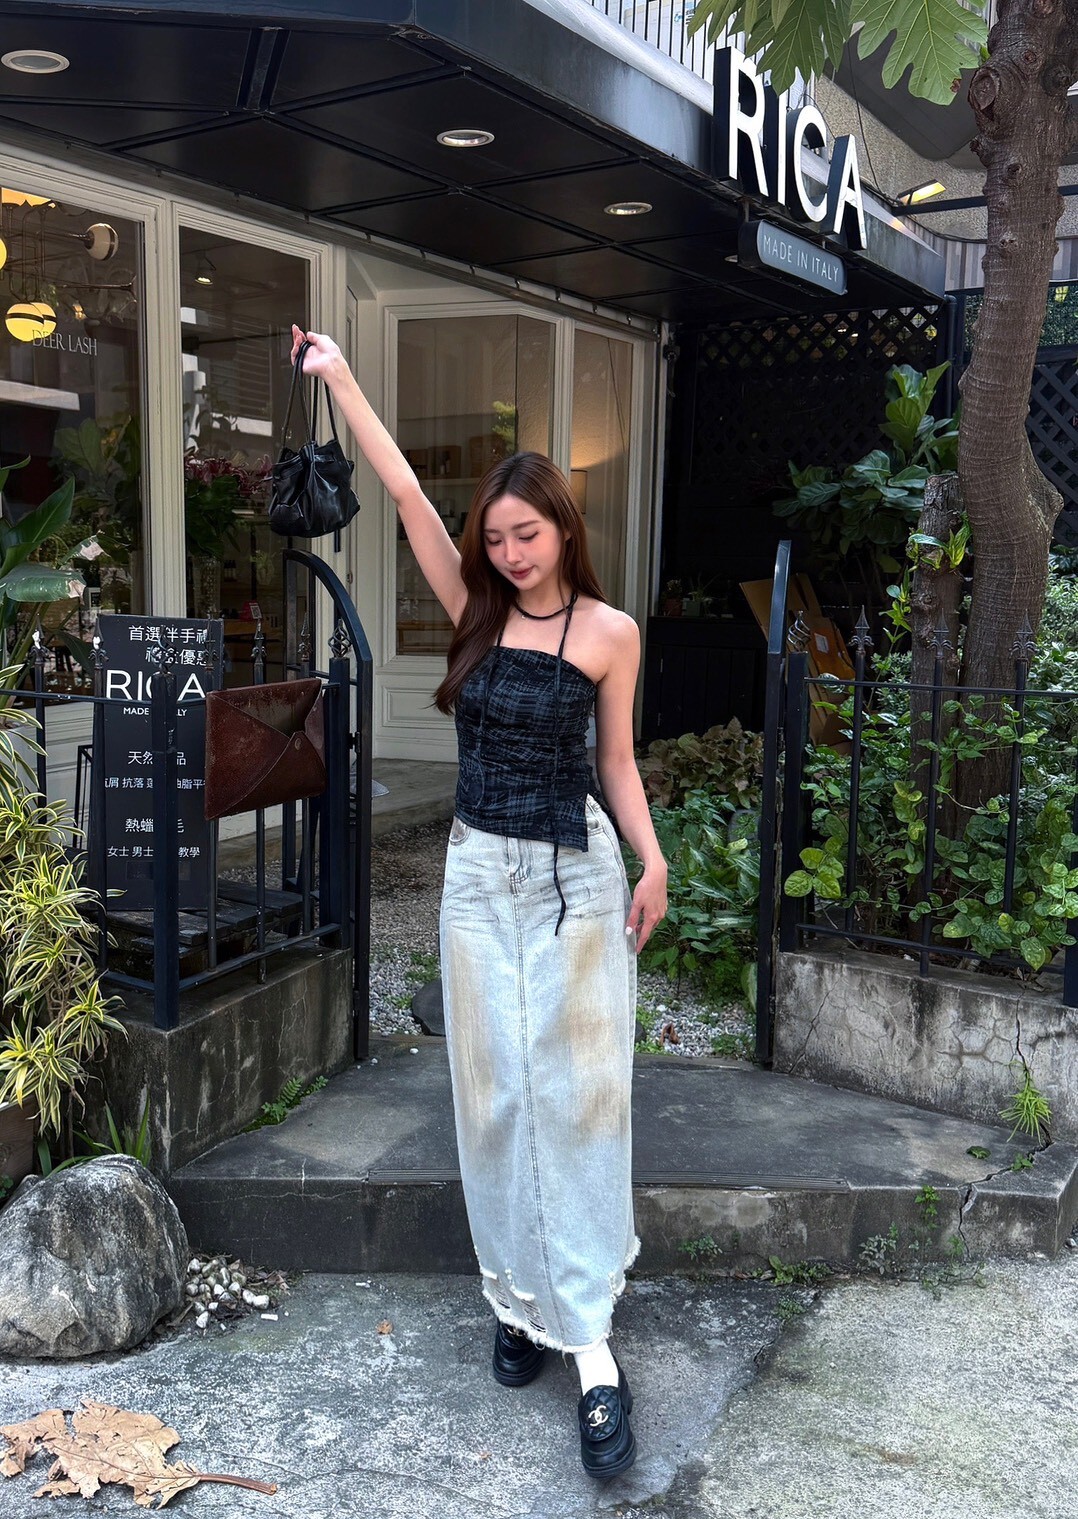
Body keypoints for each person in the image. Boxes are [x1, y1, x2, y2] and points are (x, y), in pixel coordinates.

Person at [290, 327, 668, 1478]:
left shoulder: (609, 633)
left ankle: (589, 1344)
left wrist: (651, 861)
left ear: (563, 528)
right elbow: (406, 491)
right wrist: (340, 375)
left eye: (525, 534)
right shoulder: (472, 610)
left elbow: (615, 763)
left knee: (581, 1097)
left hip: (574, 876)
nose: (509, 553)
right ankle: (515, 1299)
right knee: (495, 1095)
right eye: (495, 538)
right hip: (475, 878)